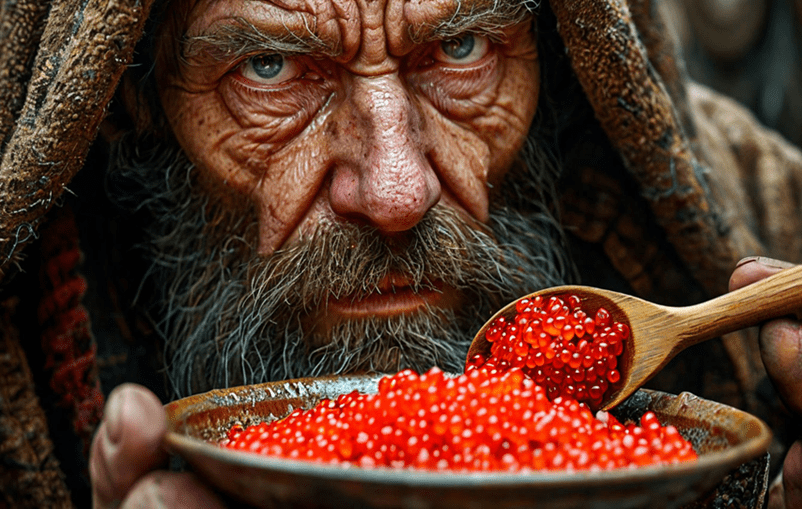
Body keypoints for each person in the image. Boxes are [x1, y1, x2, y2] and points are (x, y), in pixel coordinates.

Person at [0, 0, 799, 507]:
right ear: (129, 94)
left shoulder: (775, 207)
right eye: (270, 68)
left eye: (463, 48)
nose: (395, 192)